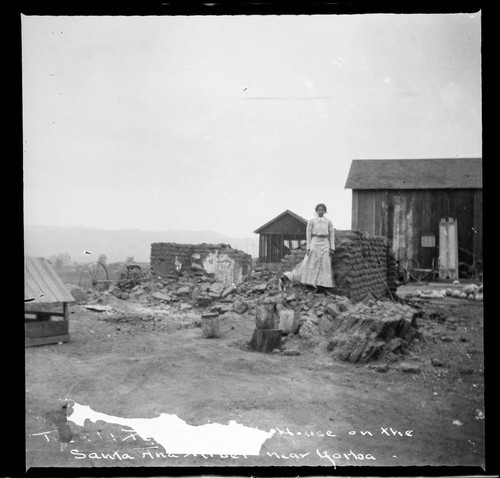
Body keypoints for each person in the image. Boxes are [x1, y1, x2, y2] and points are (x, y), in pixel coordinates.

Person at [300, 203, 335, 292]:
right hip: (315, 242)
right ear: (316, 211)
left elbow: (332, 235)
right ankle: (310, 284)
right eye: (319, 210)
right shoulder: (312, 221)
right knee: (312, 262)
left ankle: (322, 286)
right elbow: (308, 235)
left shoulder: (328, 222)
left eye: (322, 210)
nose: (321, 212)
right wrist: (308, 248)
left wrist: (332, 247)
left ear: (325, 211)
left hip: (325, 243)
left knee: (324, 263)